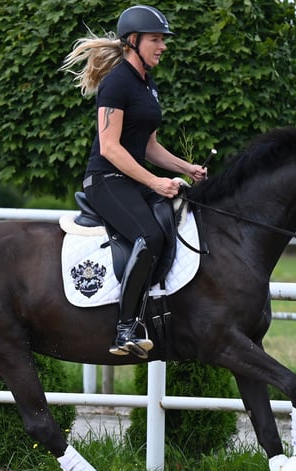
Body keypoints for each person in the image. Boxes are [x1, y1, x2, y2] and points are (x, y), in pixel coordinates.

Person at [61, 5, 207, 359]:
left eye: (162, 40)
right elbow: (110, 148)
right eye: (156, 40)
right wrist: (156, 183)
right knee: (150, 235)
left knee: (174, 219)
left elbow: (149, 146)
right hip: (106, 180)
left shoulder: (147, 84)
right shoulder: (116, 83)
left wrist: (185, 167)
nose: (163, 46)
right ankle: (125, 327)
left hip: (130, 178)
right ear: (133, 41)